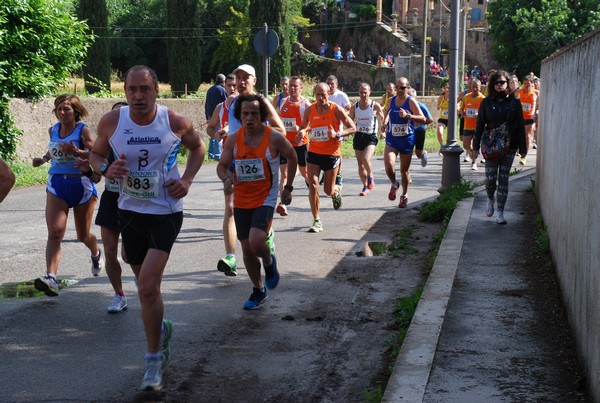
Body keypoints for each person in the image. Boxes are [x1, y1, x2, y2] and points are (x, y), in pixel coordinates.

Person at [90, 65, 206, 391]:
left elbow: (197, 148)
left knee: (147, 287)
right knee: (145, 287)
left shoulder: (174, 122)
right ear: (124, 92)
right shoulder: (112, 122)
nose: (138, 96)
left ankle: (153, 361)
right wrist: (105, 167)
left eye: (145, 89)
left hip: (166, 212)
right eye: (132, 90)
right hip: (129, 212)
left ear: (157, 90)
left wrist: (186, 179)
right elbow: (96, 156)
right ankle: (162, 330)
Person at [217, 94, 298, 310]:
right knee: (247, 250)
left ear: (262, 115)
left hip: (266, 198)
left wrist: (288, 187)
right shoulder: (234, 139)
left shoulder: (274, 137)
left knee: (255, 240)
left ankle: (269, 262)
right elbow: (222, 165)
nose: (250, 118)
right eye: (245, 114)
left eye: (254, 113)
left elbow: (292, 156)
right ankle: (258, 289)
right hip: (242, 199)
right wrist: (226, 178)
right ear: (239, 115)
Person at [207, 64, 284, 276]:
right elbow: (211, 127)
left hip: (260, 164)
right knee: (231, 208)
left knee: (258, 207)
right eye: (237, 77)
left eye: (245, 78)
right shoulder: (228, 104)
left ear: (254, 81)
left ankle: (266, 232)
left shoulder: (263, 103)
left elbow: (281, 129)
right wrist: (219, 134)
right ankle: (231, 257)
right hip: (235, 163)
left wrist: (258, 131)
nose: (240, 82)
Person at [31, 94, 103, 297]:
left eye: (66, 109)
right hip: (56, 184)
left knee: (83, 236)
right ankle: (51, 278)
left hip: (80, 185)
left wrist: (77, 152)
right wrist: (43, 159)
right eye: (59, 109)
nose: (62, 113)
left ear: (76, 111)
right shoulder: (53, 129)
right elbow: (54, 150)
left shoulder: (83, 130)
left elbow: (97, 153)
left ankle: (96, 253)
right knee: (55, 233)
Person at [77, 101, 131, 313]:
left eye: (121, 114)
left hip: (134, 201)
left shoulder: (137, 143)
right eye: (114, 113)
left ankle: (144, 284)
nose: (116, 117)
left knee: (129, 255)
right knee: (110, 251)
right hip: (111, 199)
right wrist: (86, 171)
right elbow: (97, 177)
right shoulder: (105, 145)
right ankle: (119, 295)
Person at [297, 83, 355, 232]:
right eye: (318, 95)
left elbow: (353, 127)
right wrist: (302, 132)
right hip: (315, 153)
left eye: (323, 95)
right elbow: (303, 126)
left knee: (328, 190)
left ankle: (335, 193)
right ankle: (316, 220)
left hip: (331, 154)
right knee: (313, 185)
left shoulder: (336, 109)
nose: (321, 98)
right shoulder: (310, 110)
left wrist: (337, 134)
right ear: (315, 95)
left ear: (328, 94)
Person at [473, 70, 526, 225]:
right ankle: (490, 198)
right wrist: (475, 147)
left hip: (510, 146)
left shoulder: (514, 103)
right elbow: (479, 125)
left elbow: (520, 126)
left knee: (503, 179)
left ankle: (500, 212)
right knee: (490, 179)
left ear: (507, 83)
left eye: (502, 82)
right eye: (496, 83)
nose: (499, 85)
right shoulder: (486, 102)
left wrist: (523, 148)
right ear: (492, 85)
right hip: (490, 146)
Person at [382, 77, 426, 208]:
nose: (399, 90)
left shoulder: (411, 102)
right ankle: (395, 183)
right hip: (392, 139)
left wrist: (408, 116)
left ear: (408, 88)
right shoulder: (390, 101)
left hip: (406, 140)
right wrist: (384, 124)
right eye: (398, 87)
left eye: (402, 88)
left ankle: (404, 194)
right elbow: (387, 113)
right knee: (389, 166)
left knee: (404, 170)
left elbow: (422, 118)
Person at [276, 76, 311, 216]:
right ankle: (283, 203)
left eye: (295, 86)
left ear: (301, 88)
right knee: (284, 172)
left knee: (304, 172)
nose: (292, 88)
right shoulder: (283, 101)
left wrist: (302, 130)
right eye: (290, 85)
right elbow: (278, 119)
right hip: (285, 143)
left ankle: (311, 184)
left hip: (301, 144)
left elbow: (313, 125)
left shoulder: (306, 104)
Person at [349, 83, 384, 196]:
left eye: (365, 92)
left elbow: (383, 119)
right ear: (358, 93)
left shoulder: (375, 105)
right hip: (359, 136)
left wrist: (383, 131)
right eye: (361, 92)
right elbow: (349, 120)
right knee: (360, 164)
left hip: (371, 136)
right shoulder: (355, 106)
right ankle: (365, 186)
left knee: (365, 159)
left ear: (369, 92)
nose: (363, 94)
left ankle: (370, 175)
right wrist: (348, 130)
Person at [326, 75, 350, 188]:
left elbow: (348, 109)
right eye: (328, 84)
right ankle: (327, 173)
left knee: (337, 153)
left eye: (332, 84)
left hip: (337, 130)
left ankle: (338, 175)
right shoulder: (324, 95)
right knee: (325, 153)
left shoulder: (341, 96)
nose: (330, 86)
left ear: (337, 85)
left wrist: (340, 115)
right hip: (324, 130)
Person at [460, 79, 485, 170]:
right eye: (473, 87)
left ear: (480, 88)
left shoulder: (482, 99)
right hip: (467, 125)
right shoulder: (466, 97)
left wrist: (479, 115)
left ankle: (474, 163)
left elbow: (485, 112)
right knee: (465, 145)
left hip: (478, 126)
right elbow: (461, 108)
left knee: (475, 144)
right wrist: (462, 112)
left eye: (476, 87)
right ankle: (472, 152)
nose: (474, 89)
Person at [407, 88, 433, 168]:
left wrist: (420, 121)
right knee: (407, 152)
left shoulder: (421, 106)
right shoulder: (405, 106)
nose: (411, 99)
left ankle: (423, 154)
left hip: (419, 131)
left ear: (416, 97)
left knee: (418, 153)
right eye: (409, 97)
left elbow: (430, 119)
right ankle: (406, 171)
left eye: (412, 97)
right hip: (408, 132)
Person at [517, 74, 537, 165]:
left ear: (531, 83)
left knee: (527, 137)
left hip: (529, 118)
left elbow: (540, 104)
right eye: (525, 83)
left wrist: (536, 112)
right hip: (519, 117)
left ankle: (523, 157)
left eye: (528, 84)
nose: (526, 86)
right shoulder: (519, 92)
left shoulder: (535, 93)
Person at [436, 82, 450, 151]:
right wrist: (439, 106)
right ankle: (442, 146)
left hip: (451, 119)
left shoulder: (453, 98)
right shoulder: (441, 98)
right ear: (444, 89)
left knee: (449, 136)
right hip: (442, 118)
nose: (447, 90)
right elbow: (438, 108)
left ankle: (448, 147)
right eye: (446, 88)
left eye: (449, 88)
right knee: (439, 132)